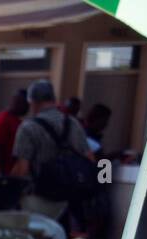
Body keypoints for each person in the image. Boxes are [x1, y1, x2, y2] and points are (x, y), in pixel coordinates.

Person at [11, 80, 96, 223]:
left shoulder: (28, 128)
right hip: (67, 203)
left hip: (36, 201)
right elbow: (90, 160)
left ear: (33, 102)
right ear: (53, 100)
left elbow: (22, 170)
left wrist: (10, 193)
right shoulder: (73, 123)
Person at [0, 89, 29, 174]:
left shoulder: (17, 122)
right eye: (26, 104)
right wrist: (1, 174)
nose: (28, 108)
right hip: (5, 174)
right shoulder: (3, 121)